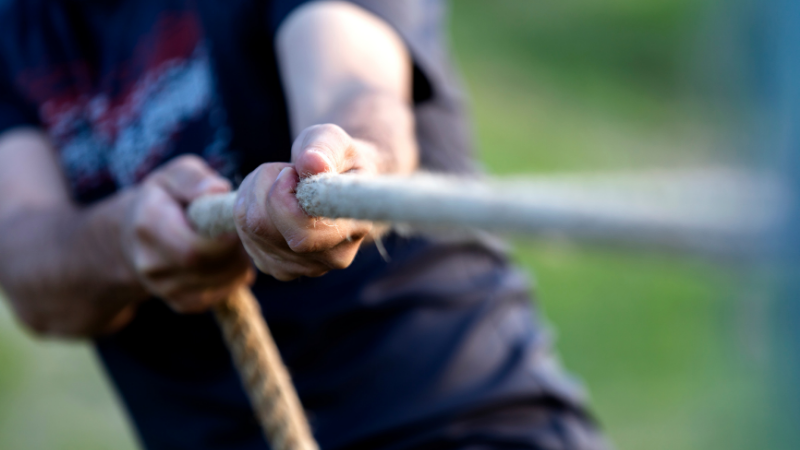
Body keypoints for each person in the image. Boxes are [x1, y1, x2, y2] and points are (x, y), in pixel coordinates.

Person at [0, 0, 608, 448]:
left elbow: (355, 85)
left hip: (457, 421)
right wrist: (124, 239)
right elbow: (30, 266)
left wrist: (349, 168)